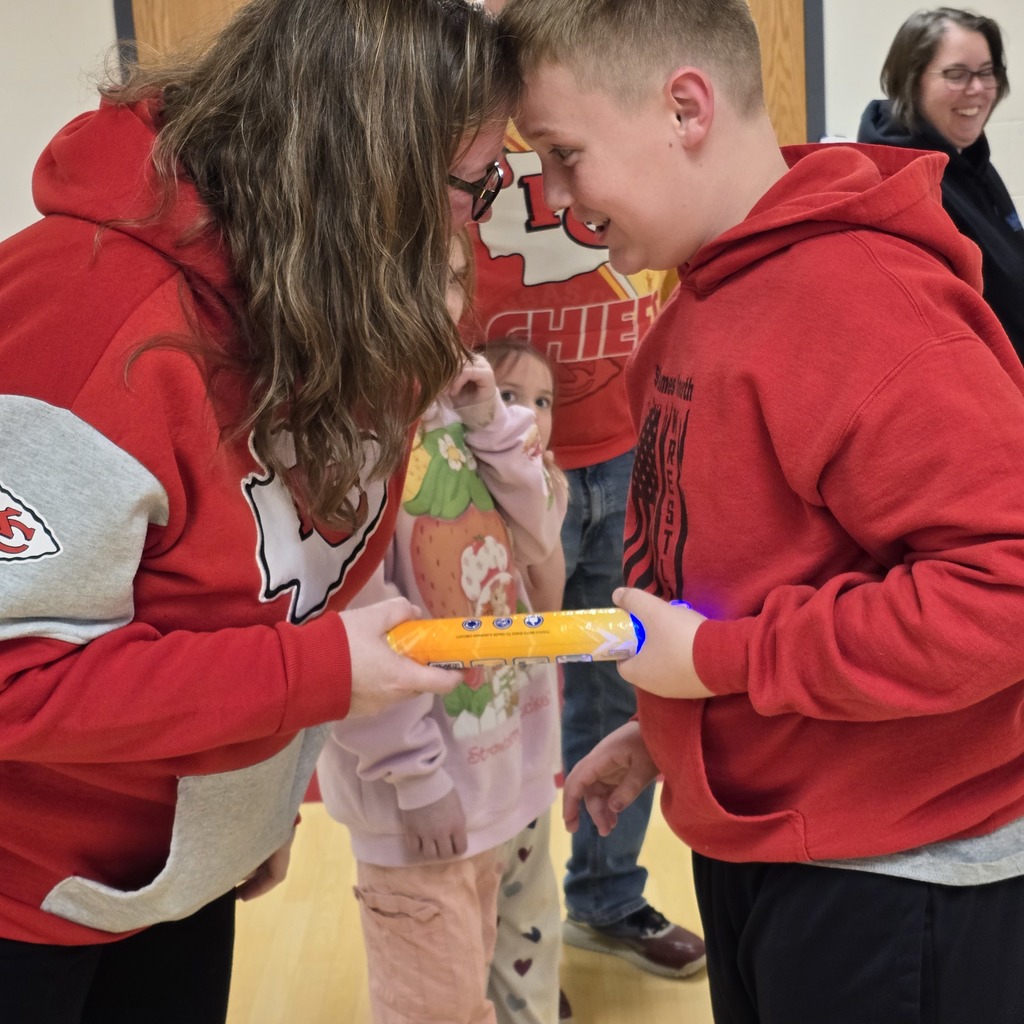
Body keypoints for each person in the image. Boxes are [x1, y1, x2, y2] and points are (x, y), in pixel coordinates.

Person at [497, 0, 1024, 1021]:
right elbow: (758, 564)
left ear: (683, 108)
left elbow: (1003, 589)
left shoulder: (863, 299)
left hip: (899, 878)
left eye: (563, 154)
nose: (554, 199)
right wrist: (677, 726)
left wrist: (716, 667)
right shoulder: (712, 285)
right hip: (779, 841)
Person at [0, 0, 518, 1020]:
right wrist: (313, 677)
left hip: (175, 867)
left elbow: (281, 588)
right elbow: (16, 677)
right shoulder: (79, 318)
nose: (480, 219)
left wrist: (258, 804)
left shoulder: (340, 293)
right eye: (474, 186)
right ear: (372, 169)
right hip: (28, 893)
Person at [465, 0, 707, 987]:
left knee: (620, 683)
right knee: (494, 712)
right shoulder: (457, 64)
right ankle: (507, 946)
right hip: (484, 456)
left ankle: (607, 897)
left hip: (624, 440)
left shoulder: (613, 46)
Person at [317, 233, 567, 1024]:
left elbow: (539, 537)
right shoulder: (346, 439)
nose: (443, 303)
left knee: (491, 983)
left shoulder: (467, 417)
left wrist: (495, 420)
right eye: (417, 280)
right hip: (420, 807)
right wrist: (416, 779)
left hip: (499, 782)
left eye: (454, 281)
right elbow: (354, 637)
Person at [858, 7, 1024, 359]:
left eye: (986, 73)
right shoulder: (898, 183)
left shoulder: (966, 156)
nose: (977, 89)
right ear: (911, 80)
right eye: (956, 74)